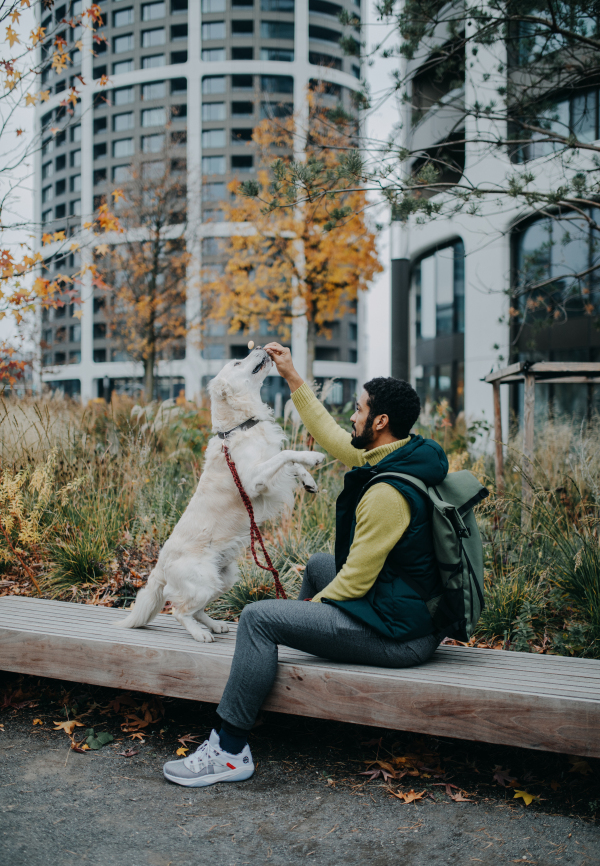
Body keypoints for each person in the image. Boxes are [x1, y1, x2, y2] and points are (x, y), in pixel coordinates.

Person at [162, 343, 449, 788]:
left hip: (400, 636)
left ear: (380, 422)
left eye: (358, 410)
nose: (351, 417)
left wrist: (310, 611)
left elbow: (354, 581)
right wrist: (292, 375)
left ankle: (230, 749)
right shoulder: (404, 453)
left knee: (258, 619)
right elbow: (336, 441)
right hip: (406, 609)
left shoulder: (387, 495)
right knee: (318, 564)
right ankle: (273, 681)